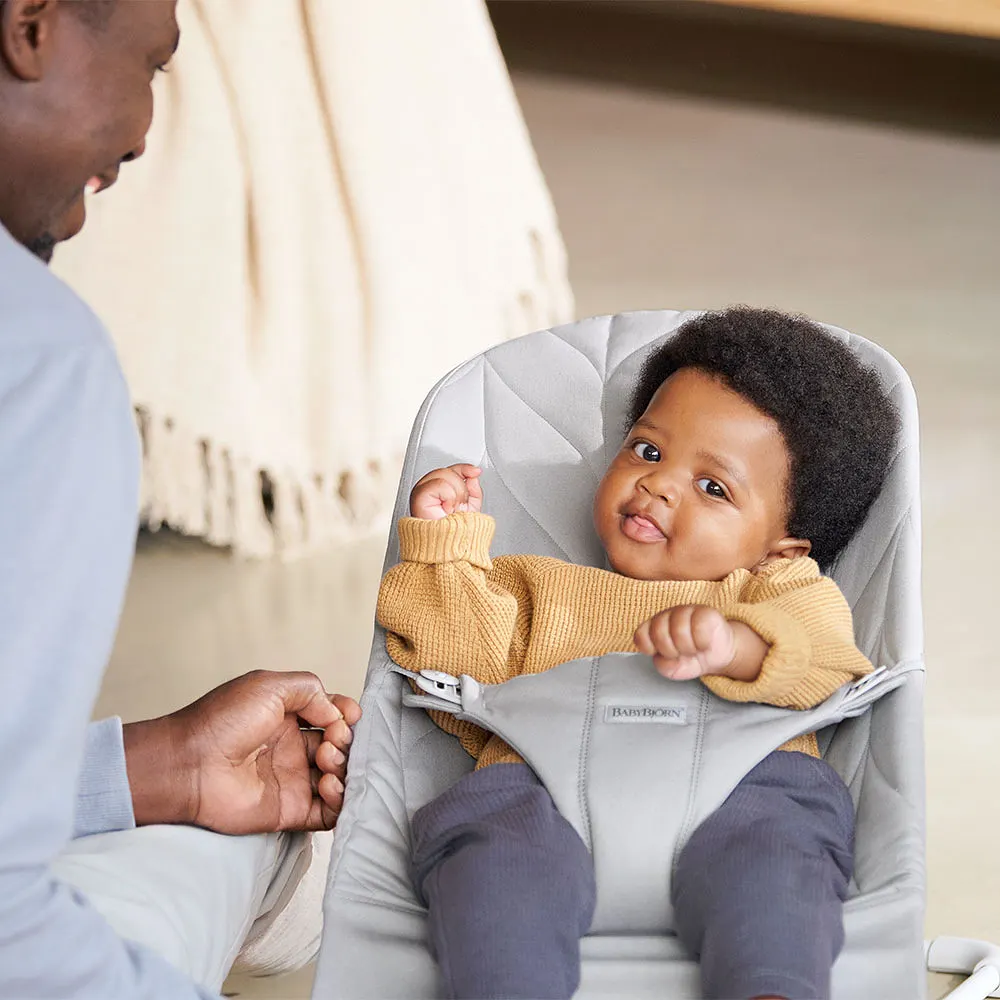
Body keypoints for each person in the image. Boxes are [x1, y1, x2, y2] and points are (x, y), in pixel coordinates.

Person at [376, 306, 900, 1000]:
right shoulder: (537, 587)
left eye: (713, 487)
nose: (657, 484)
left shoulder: (774, 590)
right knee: (491, 855)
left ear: (782, 547)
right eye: (648, 452)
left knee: (780, 866)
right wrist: (445, 542)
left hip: (748, 789)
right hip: (540, 791)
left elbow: (829, 660)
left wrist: (737, 644)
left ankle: (770, 986)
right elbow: (449, 654)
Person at [0, 1, 360, 996]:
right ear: (30, 26)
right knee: (235, 858)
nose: (145, 133)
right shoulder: (37, 361)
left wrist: (155, 766)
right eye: (152, 66)